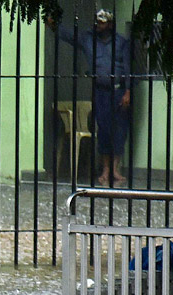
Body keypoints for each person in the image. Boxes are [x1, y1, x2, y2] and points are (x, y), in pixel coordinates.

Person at [48, 9, 133, 186]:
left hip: (118, 91)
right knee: (103, 129)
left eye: (102, 22)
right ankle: (106, 170)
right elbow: (68, 36)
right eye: (98, 22)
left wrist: (128, 91)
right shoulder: (88, 38)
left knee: (119, 130)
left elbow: (128, 68)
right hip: (100, 91)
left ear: (110, 24)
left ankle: (114, 170)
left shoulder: (121, 42)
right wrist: (53, 24)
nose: (99, 25)